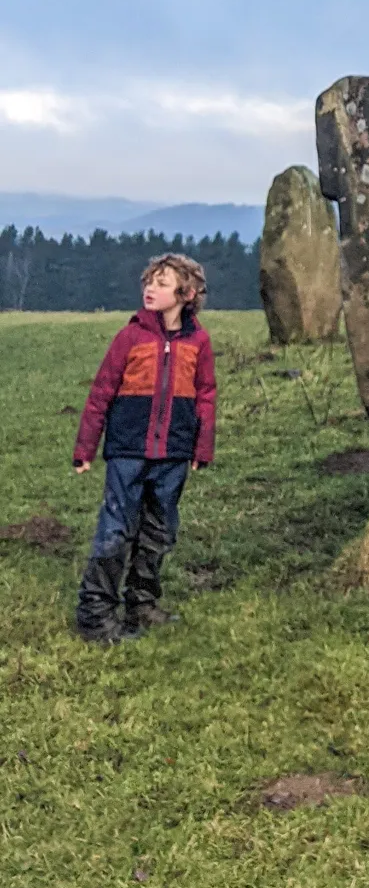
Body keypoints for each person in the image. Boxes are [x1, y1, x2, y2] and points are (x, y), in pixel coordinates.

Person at [72, 252, 216, 643]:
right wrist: (85, 447)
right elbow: (101, 392)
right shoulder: (129, 337)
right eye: (148, 281)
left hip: (173, 454)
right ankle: (95, 615)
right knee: (116, 530)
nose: (150, 289)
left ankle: (142, 603)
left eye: (162, 283)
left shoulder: (198, 342)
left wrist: (202, 448)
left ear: (187, 294)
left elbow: (206, 394)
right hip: (128, 452)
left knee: (159, 530)